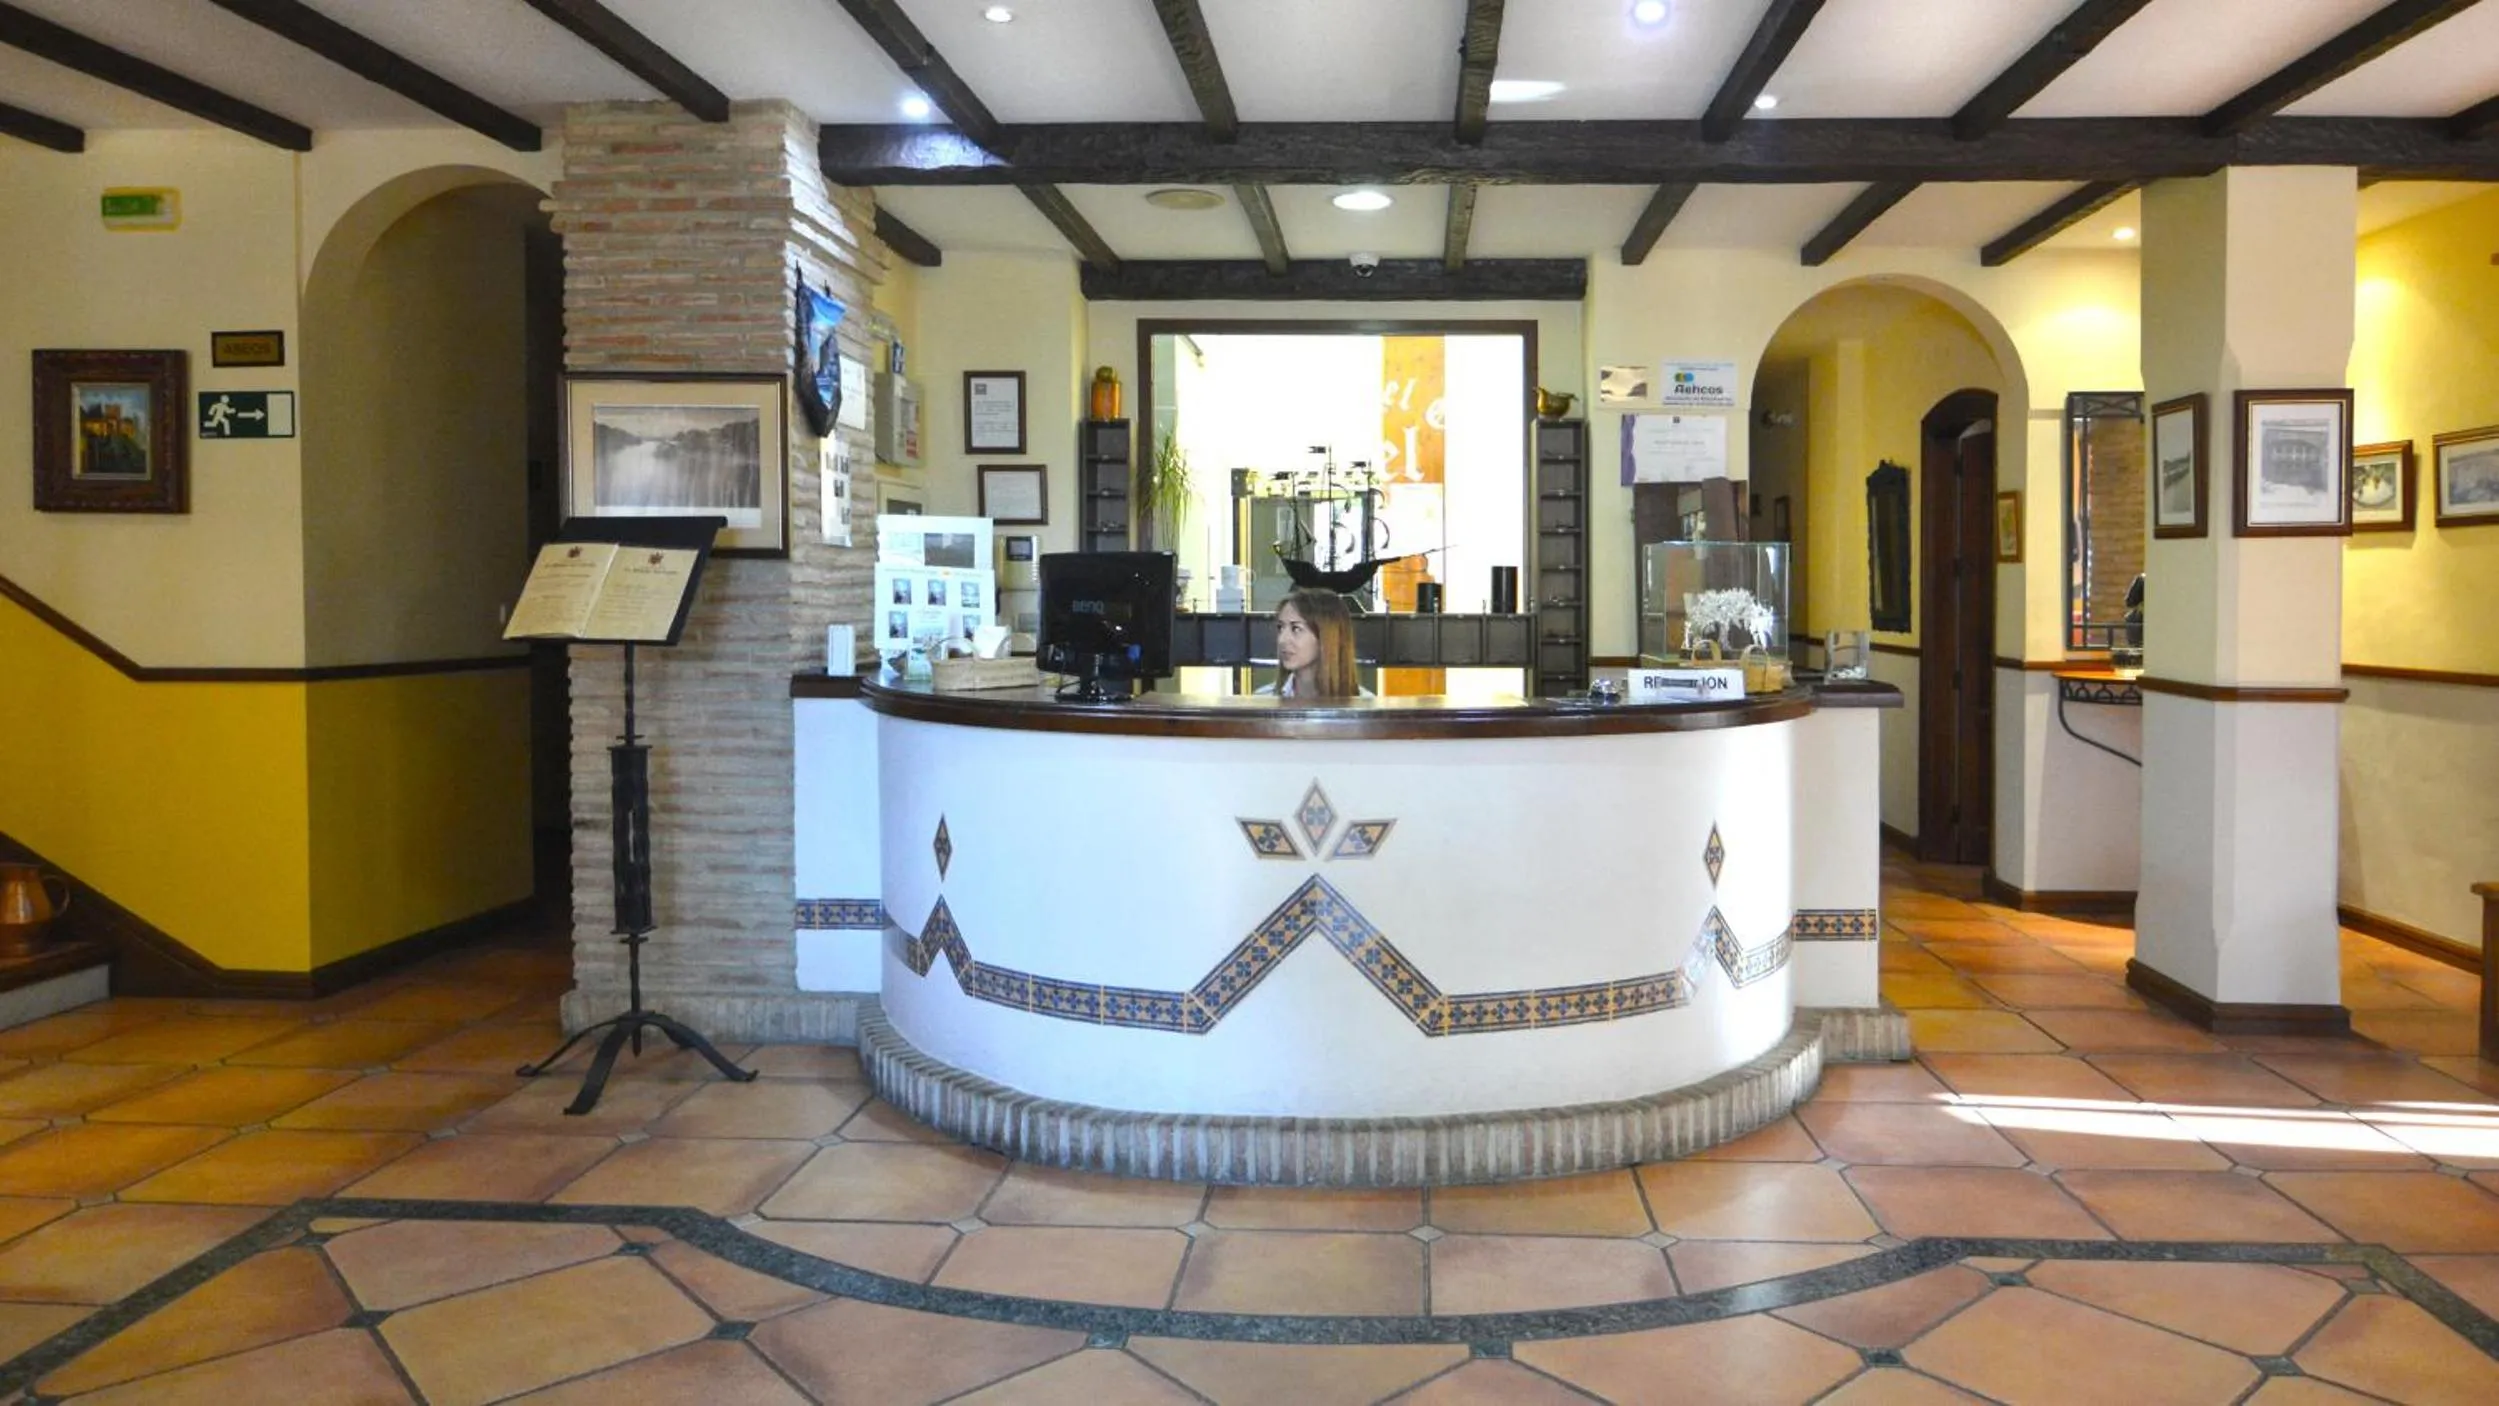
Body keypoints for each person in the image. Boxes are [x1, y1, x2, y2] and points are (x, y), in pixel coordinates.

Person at [1264, 588, 1364, 699]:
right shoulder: (1262, 701)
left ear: (1326, 636)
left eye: (1296, 628)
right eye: (1280, 627)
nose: (1282, 639)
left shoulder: (1366, 705)